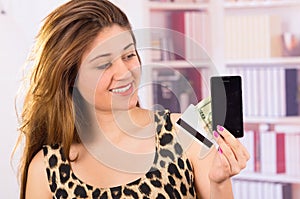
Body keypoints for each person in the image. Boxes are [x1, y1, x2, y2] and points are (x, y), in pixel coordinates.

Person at [14, 0, 250, 198]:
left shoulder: (185, 132)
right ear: (70, 79)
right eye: (104, 64)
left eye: (128, 55)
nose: (126, 72)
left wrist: (219, 182)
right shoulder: (46, 169)